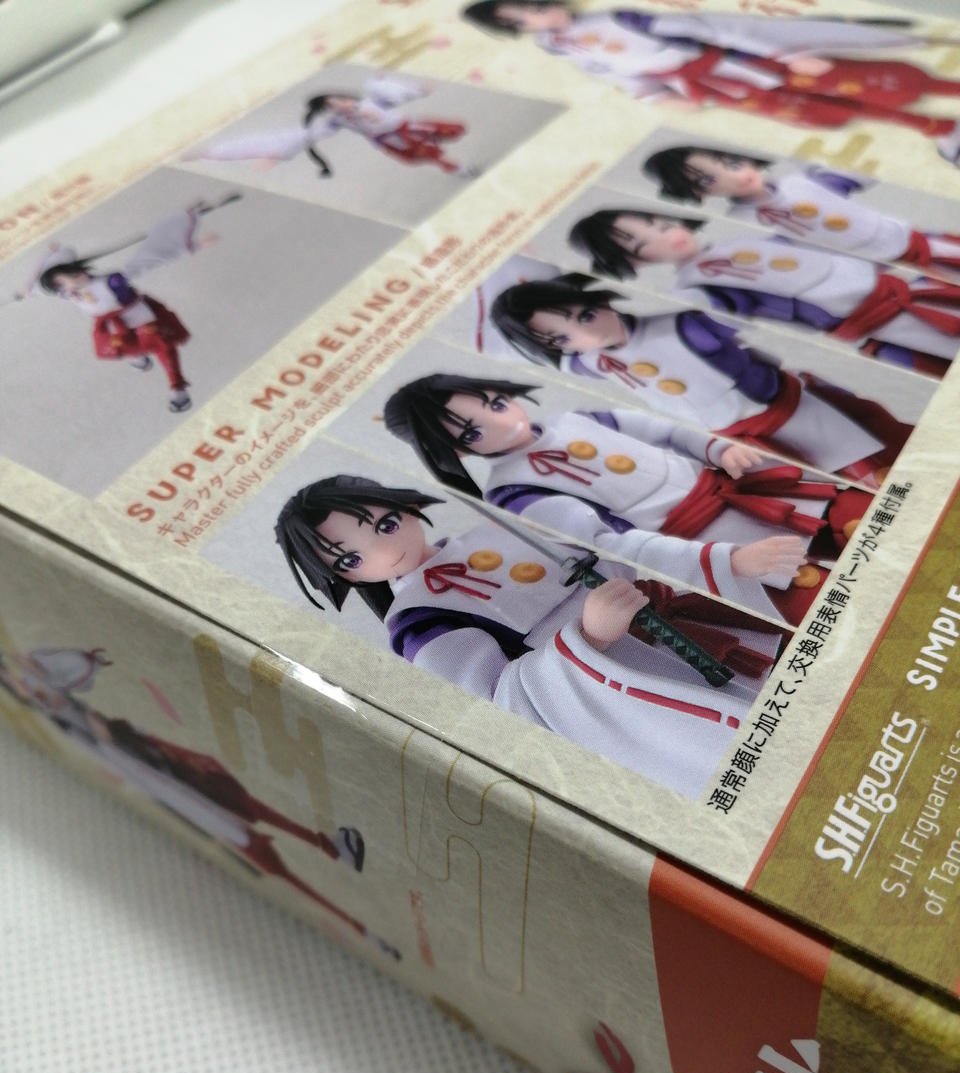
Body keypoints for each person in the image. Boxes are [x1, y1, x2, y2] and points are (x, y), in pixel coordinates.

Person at [275, 474, 788, 797]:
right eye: (351, 558)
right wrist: (588, 637)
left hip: (676, 622)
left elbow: (605, 548)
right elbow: (497, 704)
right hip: (622, 694)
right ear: (340, 578)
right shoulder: (418, 621)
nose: (386, 552)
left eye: (386, 525)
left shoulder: (495, 529)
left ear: (407, 508)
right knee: (751, 763)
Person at [0, 647, 402, 956]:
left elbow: (84, 669)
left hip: (141, 750)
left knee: (232, 795)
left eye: (9, 672)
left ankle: (329, 847)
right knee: (237, 830)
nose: (16, 681)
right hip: (142, 770)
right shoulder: (48, 713)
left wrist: (37, 669)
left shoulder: (38, 673)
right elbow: (90, 724)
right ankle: (360, 926)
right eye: (8, 680)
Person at [382, 373, 873, 625]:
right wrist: (726, 562)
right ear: (454, 452)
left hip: (744, 492)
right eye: (472, 432)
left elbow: (660, 429)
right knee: (818, 599)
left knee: (865, 523)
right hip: (700, 545)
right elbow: (612, 545)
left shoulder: (575, 418)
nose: (501, 421)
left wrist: (716, 448)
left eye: (495, 403)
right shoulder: (513, 491)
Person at [487, 269, 912, 483]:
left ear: (601, 301)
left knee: (873, 467)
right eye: (562, 337)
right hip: (731, 440)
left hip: (789, 411)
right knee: (822, 492)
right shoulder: (589, 362)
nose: (586, 335)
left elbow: (752, 318)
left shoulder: (684, 328)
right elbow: (524, 354)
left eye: (585, 316)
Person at [461, 1, 960, 166]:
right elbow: (611, 72)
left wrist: (783, 52)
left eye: (533, 5)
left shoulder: (619, 17)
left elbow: (713, 30)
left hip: (738, 60)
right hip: (703, 86)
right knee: (813, 109)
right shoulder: (560, 46)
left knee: (854, 82)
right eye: (523, 18)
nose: (537, 15)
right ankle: (936, 127)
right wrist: (653, 94)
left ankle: (948, 97)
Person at [567, 208, 960, 377]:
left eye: (659, 224)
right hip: (881, 325)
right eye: (643, 244)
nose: (666, 236)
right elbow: (718, 319)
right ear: (634, 263)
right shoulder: (694, 288)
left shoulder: (740, 240)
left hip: (909, 288)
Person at [23, 196, 239, 413]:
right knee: (122, 345)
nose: (65, 288)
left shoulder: (113, 281)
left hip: (139, 318)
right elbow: (40, 285)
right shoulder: (69, 293)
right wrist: (34, 281)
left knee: (162, 347)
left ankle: (178, 388)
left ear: (75, 272)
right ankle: (137, 356)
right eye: (60, 285)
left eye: (64, 281)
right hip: (110, 325)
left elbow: (148, 260)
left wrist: (193, 246)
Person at [642, 146, 960, 276]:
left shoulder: (799, 181)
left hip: (914, 239)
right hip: (884, 271)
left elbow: (850, 175)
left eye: (733, 163)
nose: (735, 176)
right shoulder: (745, 224)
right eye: (708, 179)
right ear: (698, 193)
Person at [186, 74, 477, 178]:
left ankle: (446, 155)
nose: (339, 105)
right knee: (431, 154)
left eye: (338, 100)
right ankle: (459, 168)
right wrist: (274, 154)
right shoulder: (337, 120)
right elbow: (303, 136)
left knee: (456, 130)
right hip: (394, 138)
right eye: (331, 105)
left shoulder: (369, 97)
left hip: (409, 126)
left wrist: (419, 89)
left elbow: (393, 93)